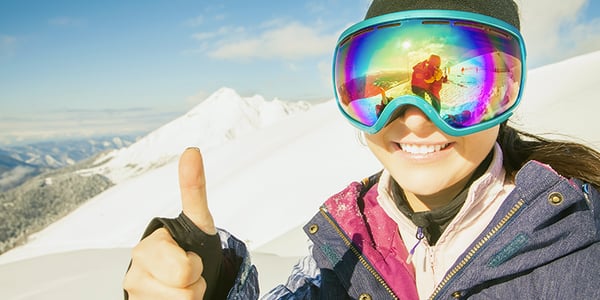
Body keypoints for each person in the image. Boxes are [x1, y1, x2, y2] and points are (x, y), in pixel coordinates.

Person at [123, 0, 600, 299]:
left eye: (468, 84)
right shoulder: (342, 251)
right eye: (383, 90)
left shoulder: (584, 246)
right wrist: (214, 284)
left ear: (505, 96)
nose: (414, 117)